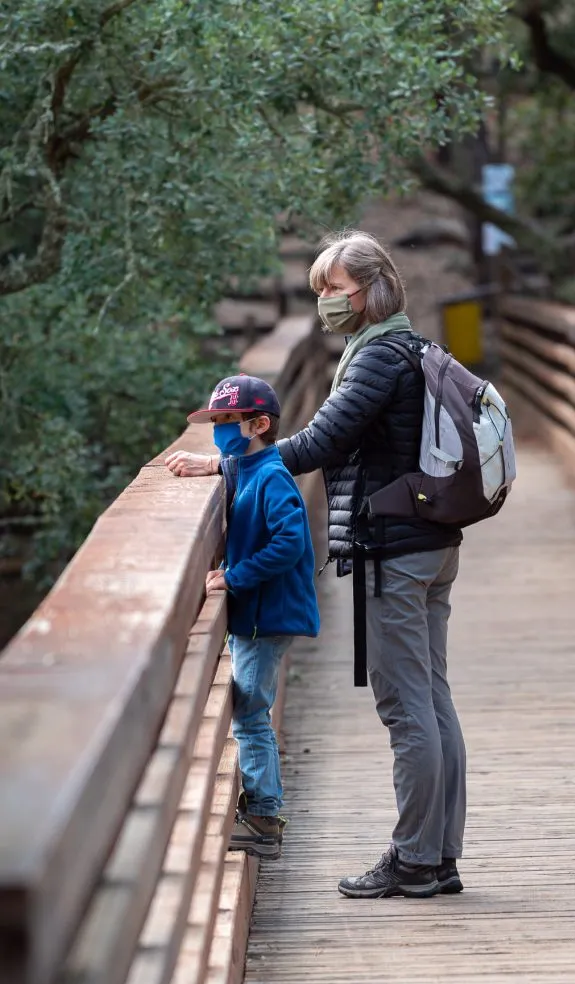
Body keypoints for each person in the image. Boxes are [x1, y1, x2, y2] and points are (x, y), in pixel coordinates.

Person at [166, 230, 466, 899]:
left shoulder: (376, 358)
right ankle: (438, 854)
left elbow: (317, 442)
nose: (325, 301)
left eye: (332, 288)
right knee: (433, 701)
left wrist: (227, 460)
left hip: (395, 551)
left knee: (408, 706)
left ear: (368, 289)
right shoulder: (414, 348)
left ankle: (416, 859)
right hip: (431, 544)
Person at [171, 373, 320, 861]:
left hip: (267, 616)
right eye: (214, 421)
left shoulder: (273, 477)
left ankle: (263, 817)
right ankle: (262, 810)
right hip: (257, 616)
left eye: (225, 422)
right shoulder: (249, 467)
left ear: (258, 424)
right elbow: (238, 472)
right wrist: (212, 466)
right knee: (248, 709)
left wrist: (235, 576)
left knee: (251, 715)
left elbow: (290, 542)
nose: (218, 430)